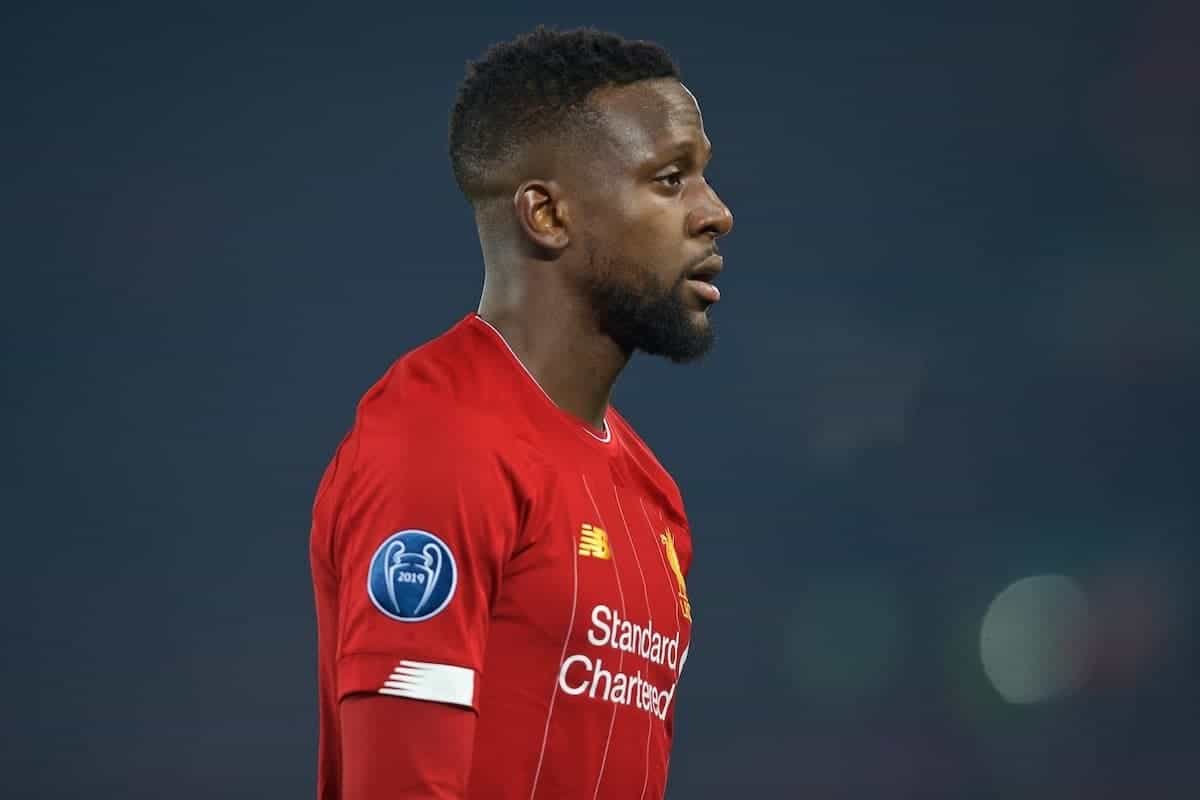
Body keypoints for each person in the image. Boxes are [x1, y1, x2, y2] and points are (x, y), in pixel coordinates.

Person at [309, 24, 734, 800]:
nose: (716, 213)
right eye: (671, 180)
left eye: (703, 177)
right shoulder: (440, 442)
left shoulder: (653, 496)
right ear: (546, 215)